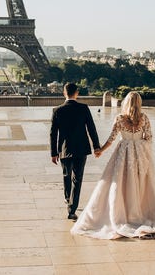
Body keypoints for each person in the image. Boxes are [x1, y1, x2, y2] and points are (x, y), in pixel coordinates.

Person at [71, 91, 155, 239]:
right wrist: (138, 146)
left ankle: (121, 212)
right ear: (139, 103)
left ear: (126, 102)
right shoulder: (144, 118)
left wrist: (100, 150)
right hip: (139, 154)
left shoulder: (120, 118)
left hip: (123, 153)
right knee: (138, 183)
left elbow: (112, 138)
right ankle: (136, 212)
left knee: (119, 182)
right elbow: (149, 138)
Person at [50, 82, 101, 220]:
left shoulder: (57, 110)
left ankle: (67, 198)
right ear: (77, 93)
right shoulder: (84, 108)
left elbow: (53, 134)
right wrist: (96, 146)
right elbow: (91, 128)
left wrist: (53, 153)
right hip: (81, 149)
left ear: (64, 93)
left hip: (64, 149)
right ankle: (72, 209)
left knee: (66, 175)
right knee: (77, 179)